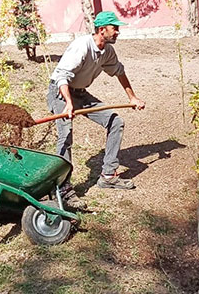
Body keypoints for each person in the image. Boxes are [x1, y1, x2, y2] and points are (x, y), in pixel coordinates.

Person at [47, 11, 146, 210]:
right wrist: (68, 103)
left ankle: (108, 176)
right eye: (114, 28)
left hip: (81, 94)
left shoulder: (107, 51)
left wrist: (132, 97)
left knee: (115, 121)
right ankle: (63, 189)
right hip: (60, 92)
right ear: (102, 30)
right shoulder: (82, 46)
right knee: (65, 135)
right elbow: (62, 77)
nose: (118, 32)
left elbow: (119, 72)